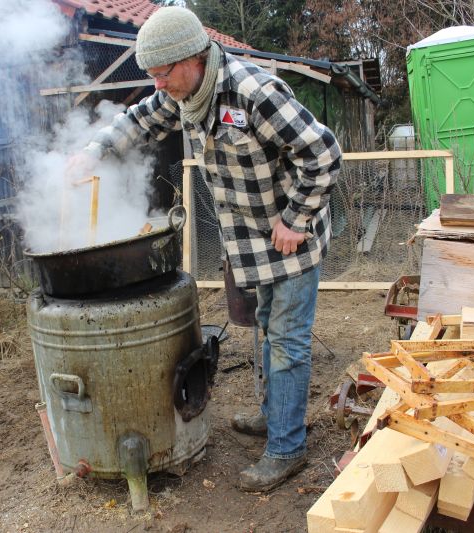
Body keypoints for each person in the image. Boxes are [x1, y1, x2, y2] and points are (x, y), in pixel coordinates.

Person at [77, 6, 342, 492]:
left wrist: (296, 218)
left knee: (286, 342)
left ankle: (288, 449)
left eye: (161, 73)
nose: (157, 84)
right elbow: (140, 120)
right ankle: (275, 416)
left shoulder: (253, 92)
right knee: (265, 329)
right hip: (252, 245)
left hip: (290, 242)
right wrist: (95, 152)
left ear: (191, 59)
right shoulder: (185, 96)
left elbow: (323, 152)